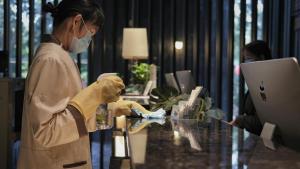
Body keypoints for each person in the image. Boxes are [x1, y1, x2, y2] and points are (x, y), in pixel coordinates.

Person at [17, 1, 125, 169]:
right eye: (91, 32)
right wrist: (93, 94)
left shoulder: (61, 56)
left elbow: (71, 113)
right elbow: (45, 132)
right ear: (76, 22)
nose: (89, 40)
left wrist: (109, 110)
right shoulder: (51, 59)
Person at [230, 40, 272, 135]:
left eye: (249, 59)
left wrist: (240, 120)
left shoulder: (269, 83)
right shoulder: (257, 81)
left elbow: (262, 122)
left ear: (262, 58)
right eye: (245, 60)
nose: (246, 63)